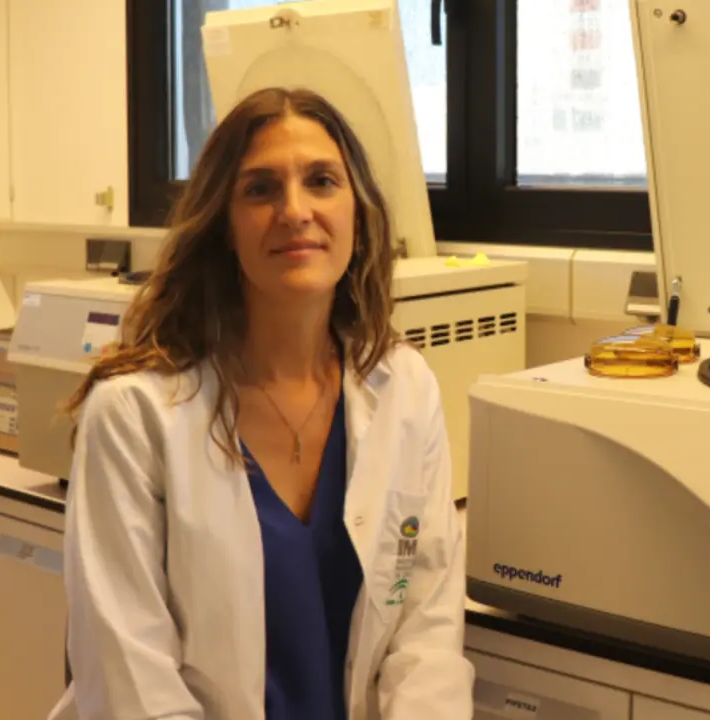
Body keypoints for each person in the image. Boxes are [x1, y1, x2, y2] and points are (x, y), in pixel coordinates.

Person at [47, 86, 475, 720]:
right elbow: (128, 676)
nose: (295, 210)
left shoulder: (406, 389)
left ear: (358, 214)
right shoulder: (134, 414)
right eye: (260, 189)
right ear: (223, 225)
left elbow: (427, 628)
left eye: (322, 181)